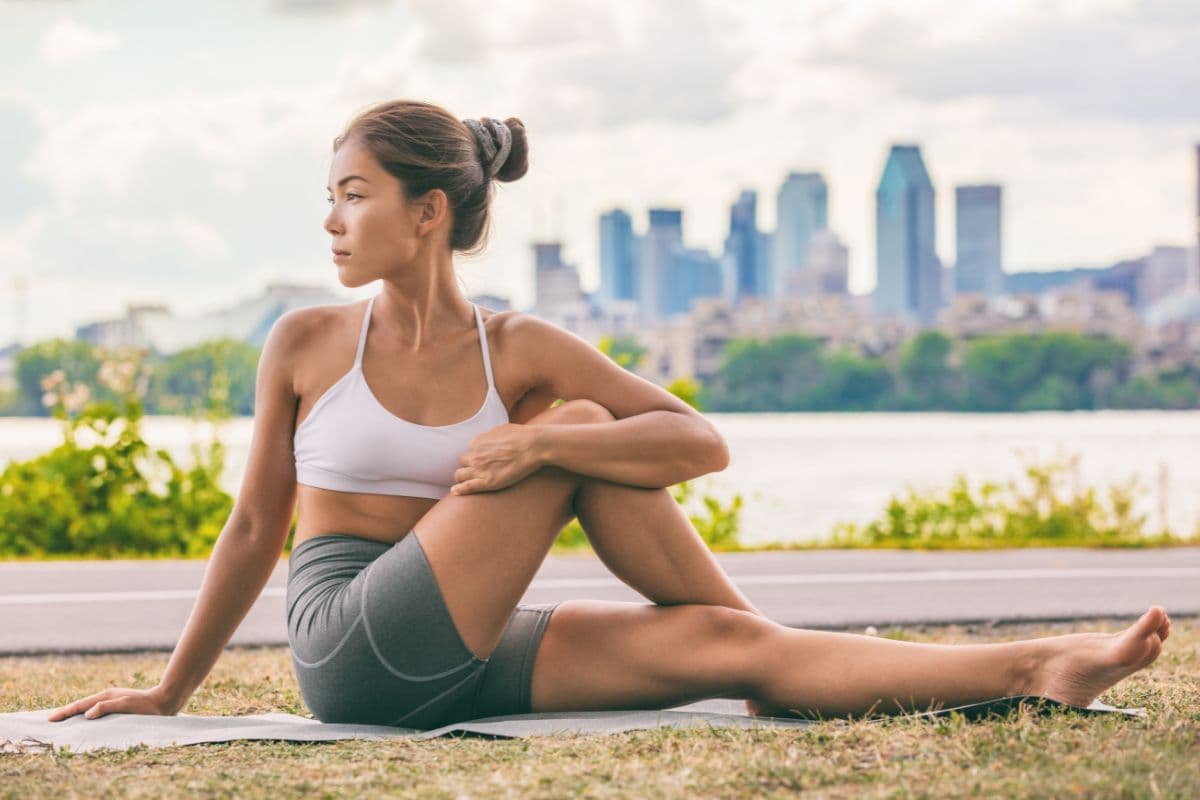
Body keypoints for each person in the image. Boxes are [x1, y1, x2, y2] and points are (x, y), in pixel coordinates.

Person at [47, 99, 1171, 728]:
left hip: (464, 649)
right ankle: (783, 656)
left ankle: (1036, 663)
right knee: (585, 422)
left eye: (354, 195)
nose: (332, 220)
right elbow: (254, 528)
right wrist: (170, 690)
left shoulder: (519, 347)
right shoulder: (304, 340)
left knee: (712, 626)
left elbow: (700, 442)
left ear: (428, 212)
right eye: (331, 197)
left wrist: (543, 435)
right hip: (354, 645)